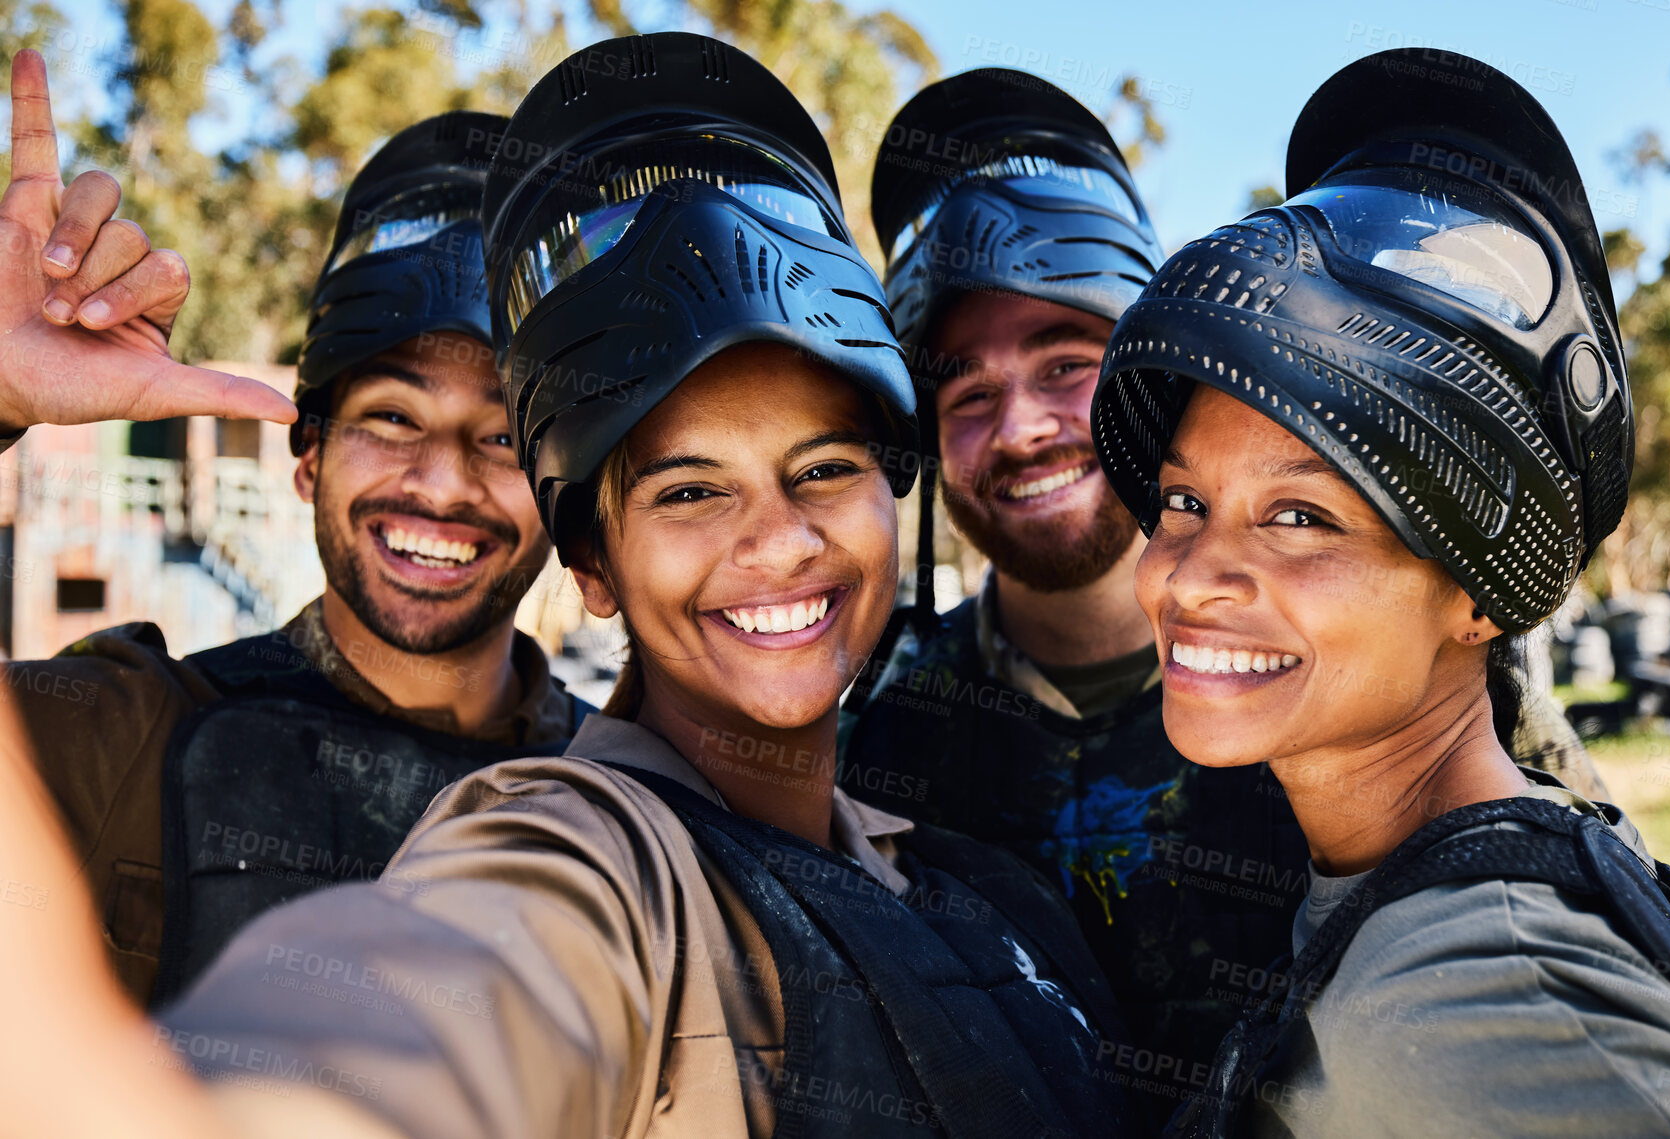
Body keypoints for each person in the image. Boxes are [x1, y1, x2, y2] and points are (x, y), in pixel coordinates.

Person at [0, 34, 1139, 1138]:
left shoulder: (949, 856)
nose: (780, 540)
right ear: (592, 559)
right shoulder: (582, 842)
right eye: (691, 490)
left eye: (824, 470)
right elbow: (447, 1000)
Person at [837, 67, 1610, 1111]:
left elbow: (1567, 979)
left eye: (1066, 363)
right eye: (967, 390)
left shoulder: (1385, 687)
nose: (1019, 428)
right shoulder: (887, 738)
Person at [1088, 48, 1670, 1137]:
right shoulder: (1373, 880)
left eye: (1301, 517)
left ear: (1479, 596)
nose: (1193, 574)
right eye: (1180, 501)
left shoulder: (1488, 988)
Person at [0, 58, 587, 1008]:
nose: (442, 483)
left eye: (503, 438)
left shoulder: (642, 794)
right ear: (307, 453)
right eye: (393, 418)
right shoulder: (122, 733)